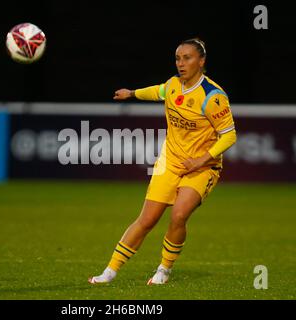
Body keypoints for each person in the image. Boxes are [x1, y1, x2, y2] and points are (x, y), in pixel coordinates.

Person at [88, 38, 237, 285]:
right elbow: (157, 91)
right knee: (147, 219)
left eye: (187, 58)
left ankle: (164, 269)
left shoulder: (213, 97)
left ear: (201, 61)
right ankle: (110, 271)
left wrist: (201, 160)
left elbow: (229, 134)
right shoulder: (173, 85)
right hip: (170, 162)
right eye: (178, 58)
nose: (181, 63)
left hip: (202, 167)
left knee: (179, 215)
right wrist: (132, 93)